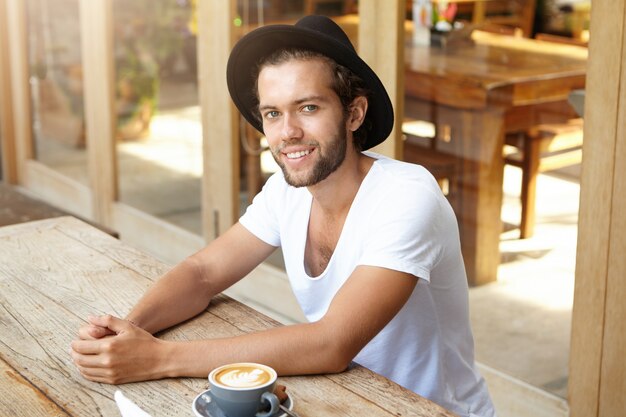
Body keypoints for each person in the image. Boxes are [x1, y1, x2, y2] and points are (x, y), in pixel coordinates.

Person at [70, 15, 495, 416]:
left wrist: (158, 359)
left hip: (428, 410)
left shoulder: (406, 196)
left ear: (353, 113)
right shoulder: (285, 192)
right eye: (273, 113)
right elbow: (202, 273)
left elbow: (331, 343)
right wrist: (129, 331)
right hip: (343, 398)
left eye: (308, 108)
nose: (287, 132)